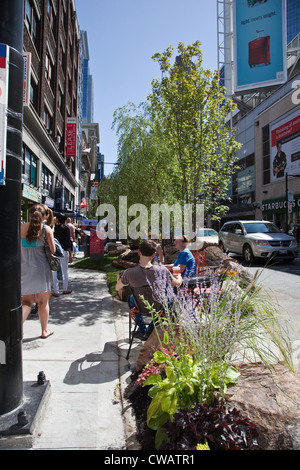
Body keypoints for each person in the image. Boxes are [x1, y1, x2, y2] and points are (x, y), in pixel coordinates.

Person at [115, 240, 182, 339]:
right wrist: (179, 276)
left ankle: (141, 329)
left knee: (132, 298)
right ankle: (150, 330)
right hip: (158, 307)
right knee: (169, 303)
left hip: (140, 307)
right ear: (154, 254)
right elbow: (177, 284)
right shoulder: (162, 271)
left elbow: (117, 287)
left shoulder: (129, 273)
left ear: (139, 252)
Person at [21, 204, 55, 338]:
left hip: (25, 269)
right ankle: (44, 330)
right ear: (43, 216)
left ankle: (17, 329)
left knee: (26, 302)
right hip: (41, 270)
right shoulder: (46, 230)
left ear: (29, 215)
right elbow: (53, 250)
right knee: (43, 302)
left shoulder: (21, 227)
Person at [52, 213, 73, 296]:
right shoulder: (66, 229)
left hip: (54, 251)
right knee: (65, 270)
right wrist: (70, 255)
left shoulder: (53, 228)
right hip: (64, 251)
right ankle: (65, 288)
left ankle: (56, 291)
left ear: (57, 219)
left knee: (54, 271)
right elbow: (68, 243)